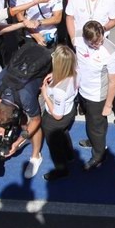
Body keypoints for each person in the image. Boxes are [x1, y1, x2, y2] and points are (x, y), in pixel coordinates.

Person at [74, 20, 115, 169]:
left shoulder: (111, 53)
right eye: (93, 43)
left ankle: (98, 155)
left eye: (100, 40)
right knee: (91, 122)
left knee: (97, 127)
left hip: (97, 96)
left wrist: (108, 105)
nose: (98, 44)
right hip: (82, 91)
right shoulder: (77, 40)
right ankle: (95, 141)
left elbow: (113, 81)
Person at [40, 44, 79, 182]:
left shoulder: (59, 90)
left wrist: (45, 95)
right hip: (70, 111)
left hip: (55, 119)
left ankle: (61, 169)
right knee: (64, 133)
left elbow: (57, 115)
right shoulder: (75, 71)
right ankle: (69, 155)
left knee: (55, 146)